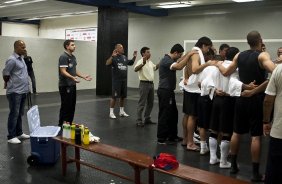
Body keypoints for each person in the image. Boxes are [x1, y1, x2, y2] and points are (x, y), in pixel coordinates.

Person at [217, 31, 276, 181]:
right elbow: (276, 72)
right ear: (260, 40)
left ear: (248, 42)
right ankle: (255, 173)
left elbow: (225, 72)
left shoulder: (239, 55)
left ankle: (233, 165)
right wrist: (256, 89)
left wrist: (216, 63)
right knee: (255, 137)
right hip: (256, 100)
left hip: (241, 99)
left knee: (236, 132)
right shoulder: (263, 56)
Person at [181, 36, 215, 153]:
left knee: (187, 114)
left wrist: (186, 77)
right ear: (204, 45)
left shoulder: (193, 52)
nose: (208, 51)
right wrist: (208, 64)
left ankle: (186, 140)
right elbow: (195, 69)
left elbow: (186, 67)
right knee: (192, 116)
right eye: (208, 48)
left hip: (189, 87)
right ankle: (190, 142)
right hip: (193, 89)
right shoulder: (196, 53)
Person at [157, 43, 196, 145]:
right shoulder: (166, 61)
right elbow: (179, 66)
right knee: (165, 114)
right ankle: (161, 138)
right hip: (165, 91)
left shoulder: (170, 59)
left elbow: (178, 60)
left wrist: (188, 54)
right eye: (179, 54)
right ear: (175, 52)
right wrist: (188, 56)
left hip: (169, 91)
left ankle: (172, 136)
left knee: (173, 113)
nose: (179, 57)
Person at [58, 40, 92, 127]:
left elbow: (74, 70)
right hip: (65, 86)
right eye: (72, 45)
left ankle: (68, 124)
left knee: (72, 106)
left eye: (74, 45)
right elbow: (63, 71)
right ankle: (62, 126)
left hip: (72, 85)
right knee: (66, 106)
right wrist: (72, 77)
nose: (74, 46)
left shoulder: (73, 57)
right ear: (67, 46)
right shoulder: (63, 57)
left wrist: (83, 76)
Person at [2, 40, 30, 144]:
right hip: (15, 91)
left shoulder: (21, 59)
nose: (24, 49)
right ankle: (11, 136)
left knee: (20, 113)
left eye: (25, 47)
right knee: (14, 113)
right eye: (22, 47)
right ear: (16, 47)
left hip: (23, 91)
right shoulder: (12, 60)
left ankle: (19, 132)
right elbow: (5, 73)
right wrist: (8, 83)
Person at [106, 44, 137, 119]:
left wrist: (134, 56)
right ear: (116, 49)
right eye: (121, 48)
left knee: (123, 96)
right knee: (114, 97)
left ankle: (121, 111)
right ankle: (111, 112)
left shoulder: (124, 57)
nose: (123, 49)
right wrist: (112, 56)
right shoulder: (114, 57)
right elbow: (107, 63)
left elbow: (131, 63)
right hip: (117, 81)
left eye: (122, 47)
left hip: (124, 80)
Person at [263, 64, 282, 184]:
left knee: (275, 167)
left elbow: (268, 100)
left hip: (279, 130)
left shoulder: (279, 69)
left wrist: (266, 121)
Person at [134, 47, 158, 127]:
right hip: (144, 84)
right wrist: (142, 64)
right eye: (148, 52)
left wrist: (161, 62)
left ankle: (147, 118)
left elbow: (155, 68)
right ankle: (138, 120)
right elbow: (135, 69)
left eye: (149, 52)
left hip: (151, 84)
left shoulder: (150, 62)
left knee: (150, 103)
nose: (149, 53)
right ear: (143, 53)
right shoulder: (140, 61)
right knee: (142, 103)